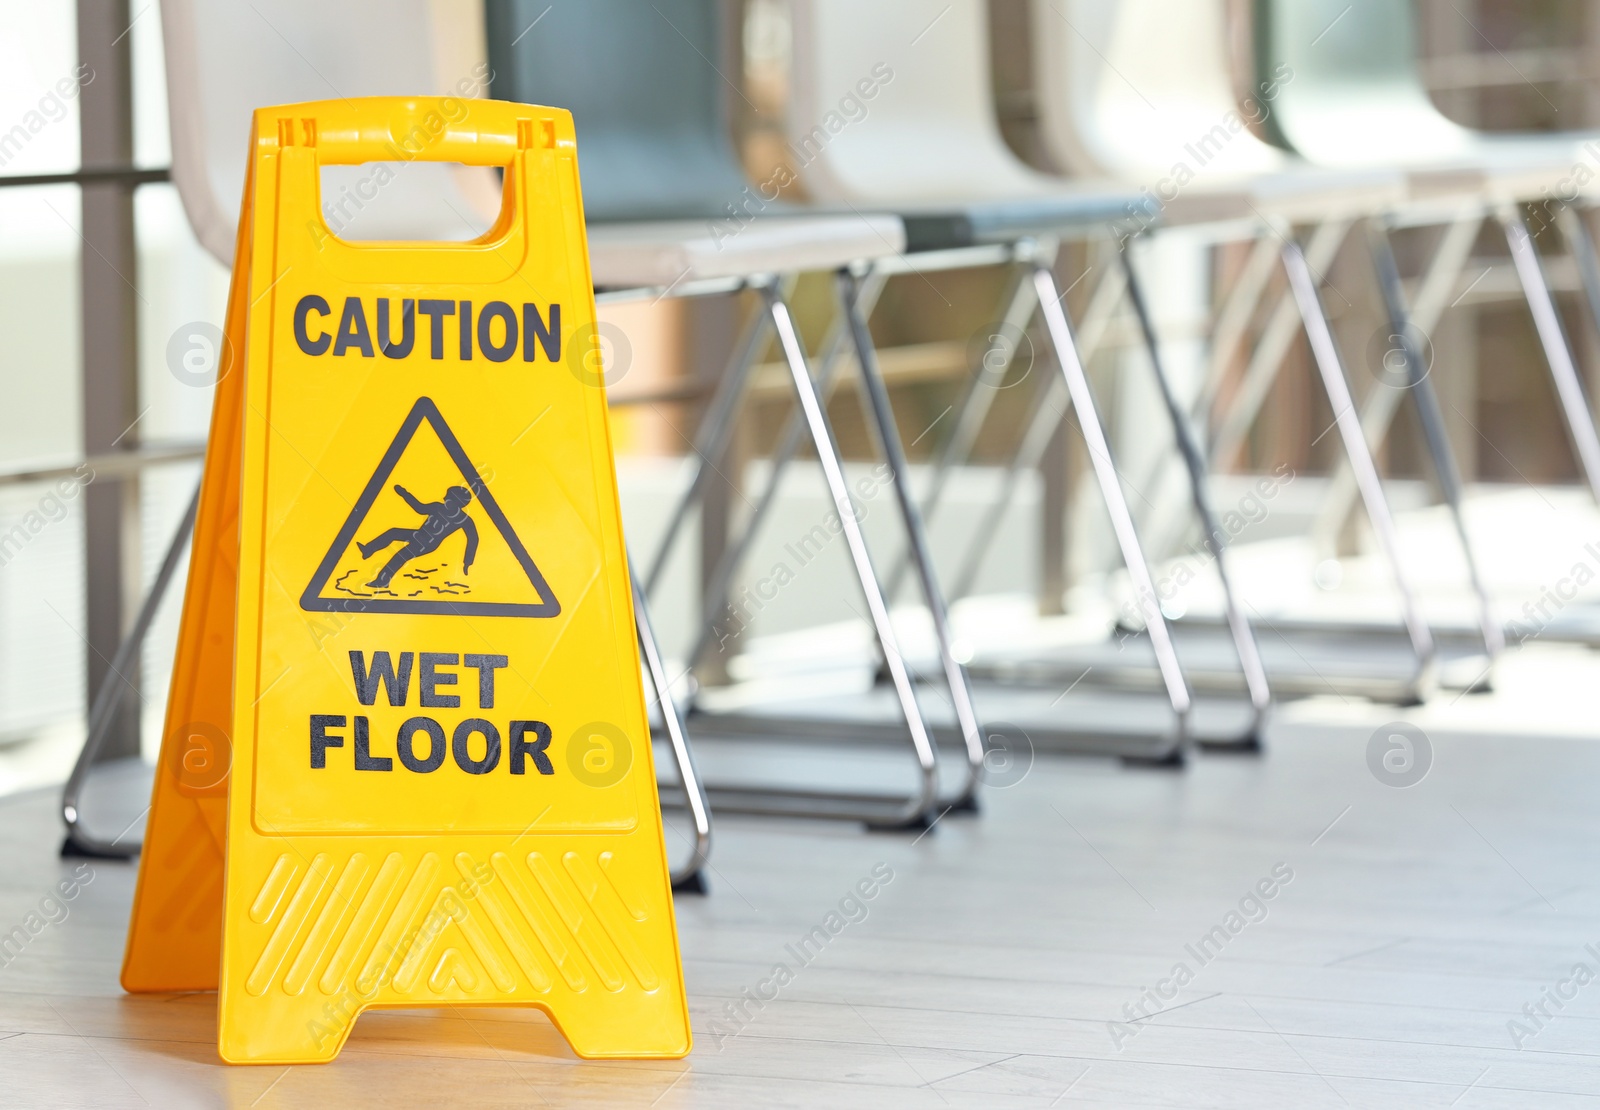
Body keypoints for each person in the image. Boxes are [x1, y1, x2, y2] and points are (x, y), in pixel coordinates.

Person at [359, 484, 479, 588]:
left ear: (455, 501)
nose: (444, 498)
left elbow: (473, 539)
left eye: (448, 497)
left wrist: (467, 562)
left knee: (400, 556)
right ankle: (368, 550)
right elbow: (420, 508)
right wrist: (404, 494)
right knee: (393, 532)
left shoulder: (464, 519)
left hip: (428, 544)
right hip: (419, 535)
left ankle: (382, 581)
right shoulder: (438, 507)